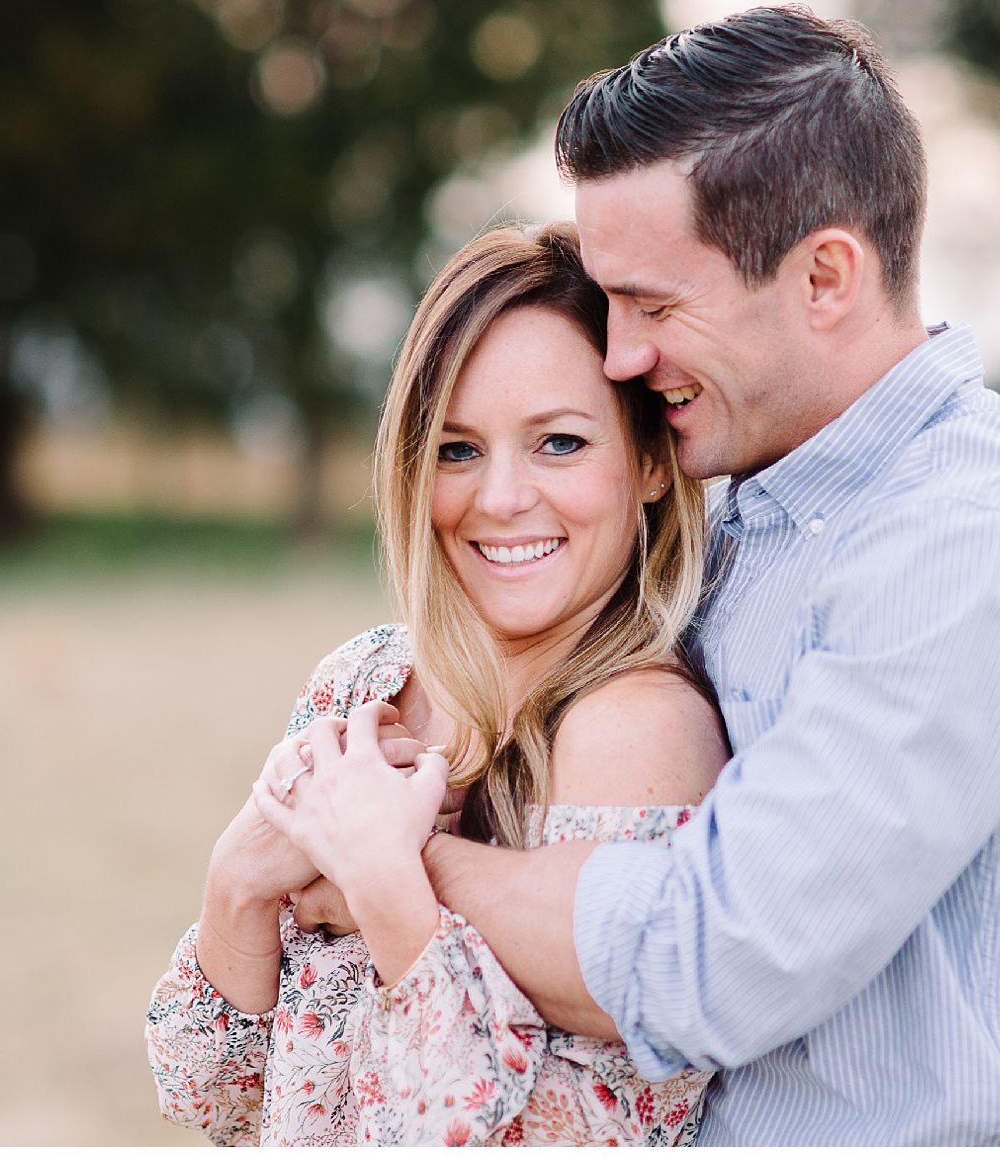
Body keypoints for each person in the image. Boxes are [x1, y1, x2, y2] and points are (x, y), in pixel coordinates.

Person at [388, 5, 1000, 1145]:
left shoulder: (969, 549)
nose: (618, 354)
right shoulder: (759, 502)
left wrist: (399, 866)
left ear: (825, 277)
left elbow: (703, 964)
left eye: (654, 305)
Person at [145, 222, 729, 1145]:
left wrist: (386, 884)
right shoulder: (366, 679)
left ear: (651, 462)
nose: (498, 497)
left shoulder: (638, 731)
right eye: (458, 449)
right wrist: (237, 886)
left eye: (560, 443)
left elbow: (570, 1137)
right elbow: (215, 1094)